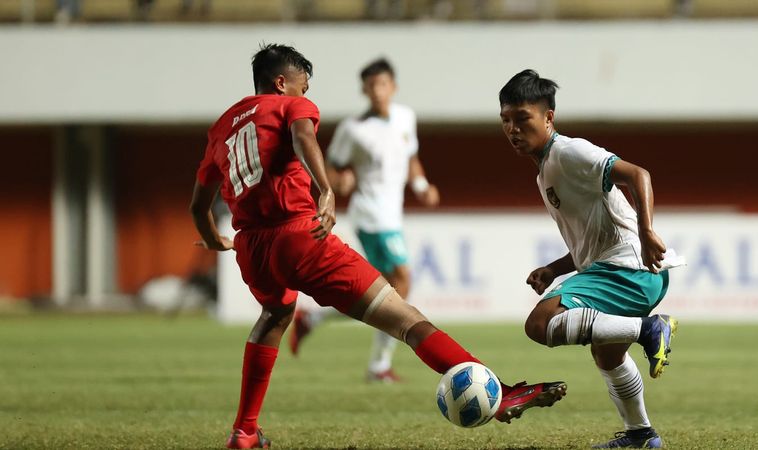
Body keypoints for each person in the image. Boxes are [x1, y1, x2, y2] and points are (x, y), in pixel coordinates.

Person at [190, 45, 566, 449]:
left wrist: (215, 238)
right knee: (405, 318)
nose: (306, 93)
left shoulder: (223, 126)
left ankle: (244, 431)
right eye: (303, 87)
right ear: (282, 83)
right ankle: (500, 392)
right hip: (300, 235)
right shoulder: (289, 108)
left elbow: (198, 204)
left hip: (251, 247)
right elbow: (302, 137)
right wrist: (326, 190)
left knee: (273, 314)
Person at [497, 69, 684, 449]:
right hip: (622, 268)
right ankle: (641, 435)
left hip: (630, 267)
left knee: (540, 323)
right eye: (505, 121)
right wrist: (555, 268)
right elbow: (590, 240)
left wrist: (647, 231)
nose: (513, 130)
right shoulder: (546, 170)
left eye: (522, 119)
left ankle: (650, 330)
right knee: (607, 353)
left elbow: (638, 174)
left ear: (548, 117)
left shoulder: (569, 152)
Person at [287, 58, 439, 383]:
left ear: (393, 87)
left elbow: (410, 157)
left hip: (392, 212)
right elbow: (330, 166)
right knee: (401, 282)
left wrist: (421, 186)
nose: (377, 91)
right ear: (364, 90)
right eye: (371, 86)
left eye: (382, 84)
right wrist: (337, 183)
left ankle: (312, 319)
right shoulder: (353, 129)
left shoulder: (405, 118)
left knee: (380, 292)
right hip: (371, 213)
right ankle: (379, 365)